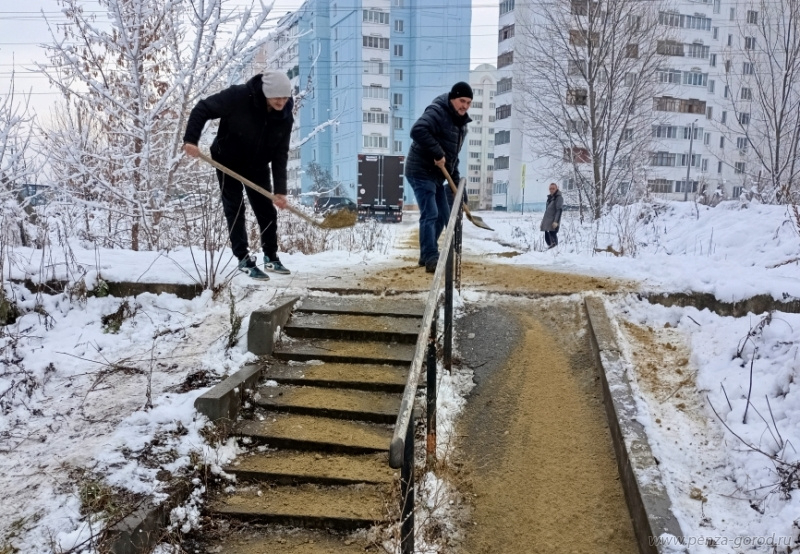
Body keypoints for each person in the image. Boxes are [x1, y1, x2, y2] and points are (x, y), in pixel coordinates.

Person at [182, 71, 294, 280]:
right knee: (235, 208)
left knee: (266, 210)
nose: (281, 101)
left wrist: (280, 190)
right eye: (277, 97)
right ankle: (243, 258)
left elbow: (281, 153)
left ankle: (270, 256)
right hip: (227, 160)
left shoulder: (285, 115)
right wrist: (191, 140)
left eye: (285, 97)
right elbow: (202, 109)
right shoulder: (239, 96)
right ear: (266, 92)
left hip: (258, 164)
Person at [405, 81, 472, 273]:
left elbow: (452, 160)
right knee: (430, 213)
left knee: (443, 215)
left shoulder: (461, 126)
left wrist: (459, 189)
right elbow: (417, 130)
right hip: (419, 170)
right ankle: (432, 258)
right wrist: (437, 152)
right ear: (452, 98)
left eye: (468, 102)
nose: (465, 106)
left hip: (436, 176)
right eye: (462, 101)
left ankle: (426, 254)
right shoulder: (438, 111)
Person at [541, 182, 564, 248]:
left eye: (553, 188)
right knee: (547, 238)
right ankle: (549, 251)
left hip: (553, 222)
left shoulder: (559, 198)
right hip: (547, 222)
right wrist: (543, 222)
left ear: (556, 188)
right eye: (550, 188)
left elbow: (559, 210)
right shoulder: (550, 198)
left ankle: (554, 251)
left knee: (553, 238)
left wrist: (556, 222)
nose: (551, 190)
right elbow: (547, 211)